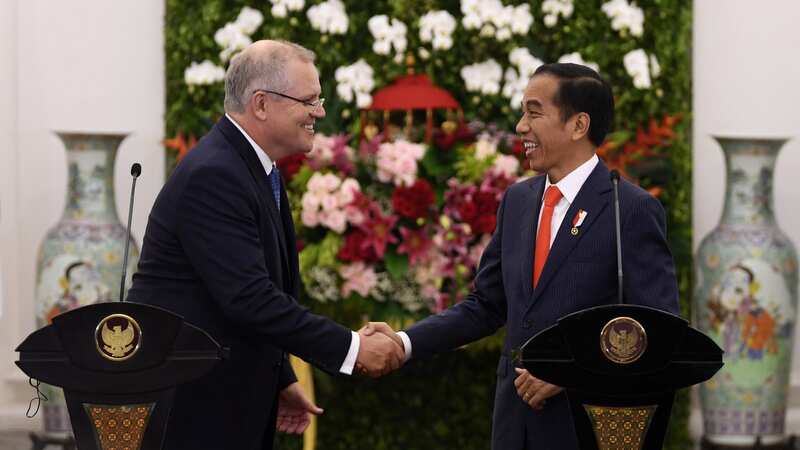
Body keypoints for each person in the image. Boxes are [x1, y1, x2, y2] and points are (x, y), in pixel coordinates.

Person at [366, 63, 680, 449]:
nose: (520, 126)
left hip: (585, 430)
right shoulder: (518, 200)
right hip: (514, 428)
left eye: (534, 112)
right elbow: (485, 305)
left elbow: (659, 332)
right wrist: (404, 342)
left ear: (578, 125)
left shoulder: (629, 209)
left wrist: (573, 371)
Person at [127, 40, 403, 450]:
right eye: (309, 101)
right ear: (260, 104)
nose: (320, 113)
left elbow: (256, 293)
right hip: (192, 414)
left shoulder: (251, 166)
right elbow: (250, 299)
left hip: (224, 406)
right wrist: (353, 348)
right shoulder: (216, 175)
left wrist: (281, 376)